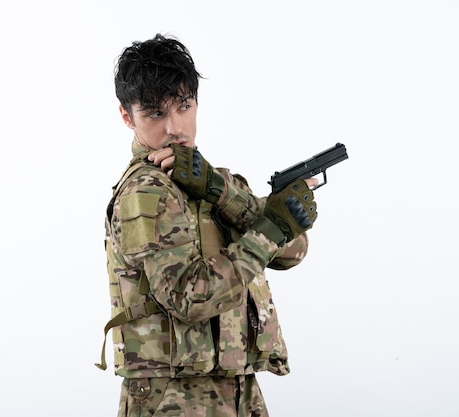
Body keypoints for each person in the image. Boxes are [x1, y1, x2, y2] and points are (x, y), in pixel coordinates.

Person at [96, 33, 318, 417]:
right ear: (126, 116)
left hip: (237, 386)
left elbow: (292, 253)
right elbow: (190, 298)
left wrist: (221, 192)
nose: (174, 128)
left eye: (183, 106)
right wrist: (271, 226)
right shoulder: (145, 192)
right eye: (155, 114)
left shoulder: (209, 180)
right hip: (174, 396)